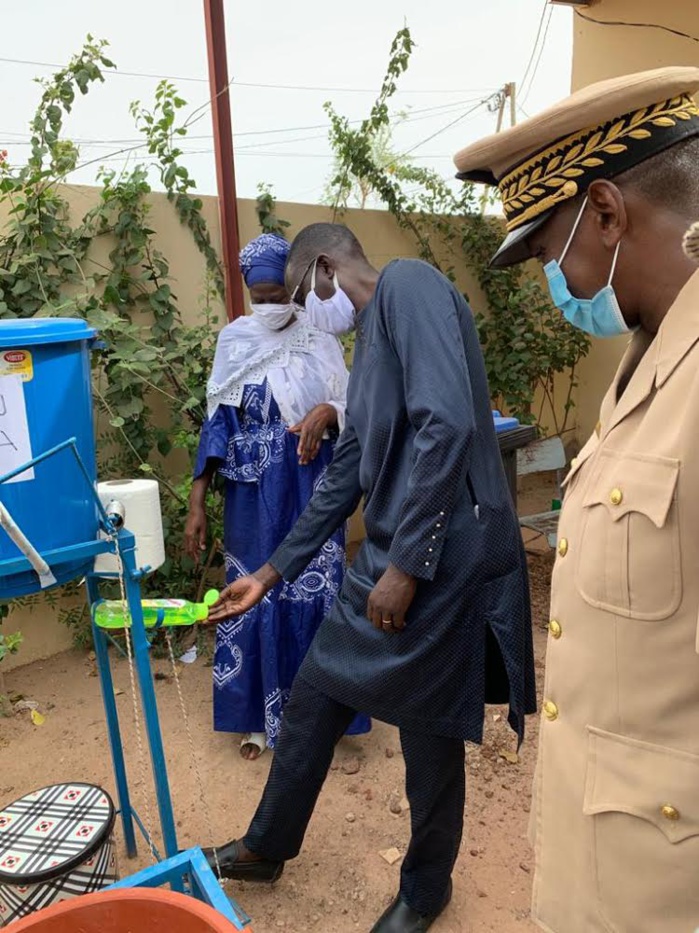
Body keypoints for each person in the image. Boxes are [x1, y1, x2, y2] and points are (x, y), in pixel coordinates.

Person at [203, 223, 536, 932]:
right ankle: (267, 846)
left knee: (427, 726)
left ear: (325, 268)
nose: (300, 313)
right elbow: (348, 468)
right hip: (395, 552)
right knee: (316, 691)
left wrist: (407, 566)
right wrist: (270, 571)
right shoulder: (372, 344)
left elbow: (447, 426)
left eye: (300, 295)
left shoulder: (408, 285)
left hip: (447, 553)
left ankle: (425, 888)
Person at [453, 66, 699, 933]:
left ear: (604, 212)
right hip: (615, 868)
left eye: (547, 253)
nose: (553, 282)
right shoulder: (650, 356)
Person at [185, 232, 370, 761]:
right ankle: (256, 721)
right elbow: (218, 425)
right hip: (250, 495)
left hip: (313, 486)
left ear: (294, 288)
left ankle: (322, 721)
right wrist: (197, 503)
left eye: (279, 295)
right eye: (260, 297)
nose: (270, 306)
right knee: (251, 594)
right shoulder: (235, 340)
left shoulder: (321, 337)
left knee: (317, 592)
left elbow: (357, 403)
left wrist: (329, 412)